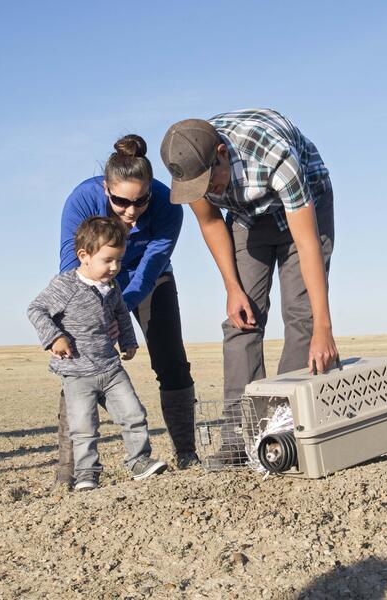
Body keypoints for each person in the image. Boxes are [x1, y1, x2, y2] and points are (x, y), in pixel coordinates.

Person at [159, 109, 339, 464]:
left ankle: (287, 433)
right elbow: (211, 223)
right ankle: (237, 439)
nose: (207, 192)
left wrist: (324, 327)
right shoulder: (191, 168)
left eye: (211, 183)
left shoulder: (275, 157)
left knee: (302, 316)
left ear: (222, 155)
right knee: (241, 321)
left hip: (305, 209)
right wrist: (232, 288)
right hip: (247, 217)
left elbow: (306, 245)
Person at [53, 134, 197, 489]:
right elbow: (72, 266)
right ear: (106, 189)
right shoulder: (82, 199)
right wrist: (93, 312)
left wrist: (119, 310)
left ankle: (187, 453)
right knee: (80, 363)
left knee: (171, 359)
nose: (131, 211)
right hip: (91, 282)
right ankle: (68, 473)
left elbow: (152, 266)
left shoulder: (168, 204)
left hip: (148, 280)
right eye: (120, 201)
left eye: (140, 200)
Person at [29, 216, 168, 490]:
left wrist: (128, 341)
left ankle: (139, 460)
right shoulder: (64, 285)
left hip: (110, 368)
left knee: (134, 414)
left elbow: (120, 313)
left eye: (118, 260)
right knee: (83, 428)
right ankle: (86, 475)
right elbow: (36, 309)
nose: (115, 267)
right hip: (77, 373)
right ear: (84, 256)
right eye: (108, 260)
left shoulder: (112, 286)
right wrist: (54, 336)